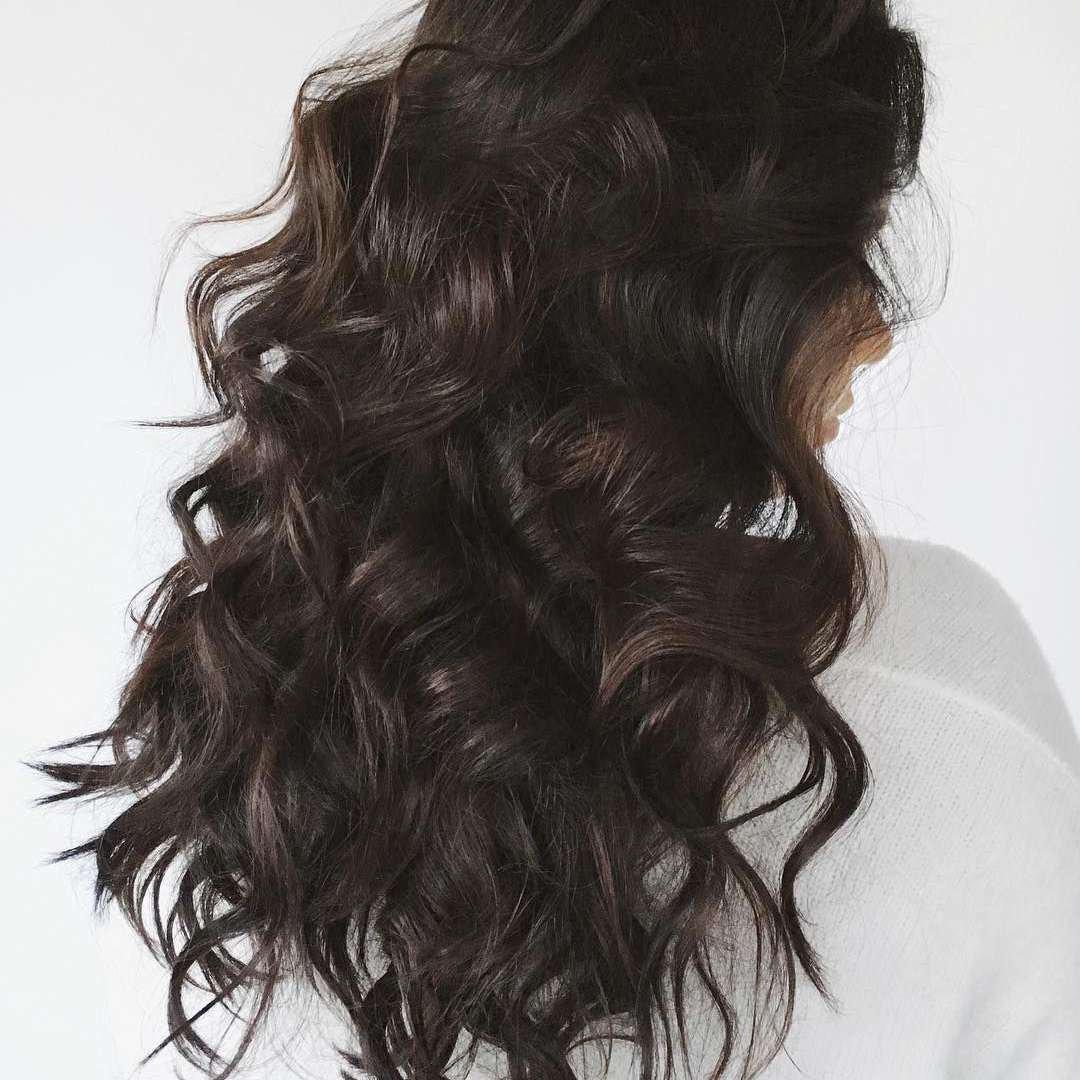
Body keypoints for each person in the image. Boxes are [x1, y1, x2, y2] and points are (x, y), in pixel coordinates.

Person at [31, 1, 1080, 1078]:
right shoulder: (953, 683)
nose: (878, 330)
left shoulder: (223, 727)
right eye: (849, 254)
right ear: (704, 312)